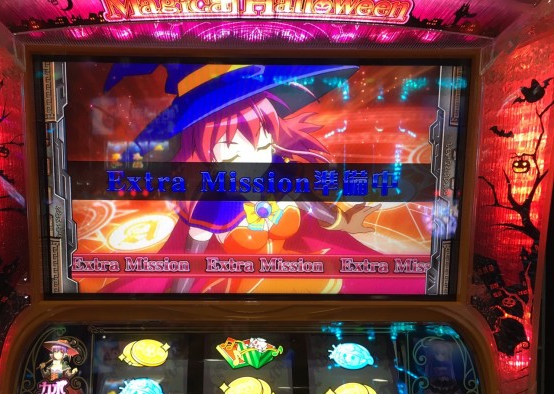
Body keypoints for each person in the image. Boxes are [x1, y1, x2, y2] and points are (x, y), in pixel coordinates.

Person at [103, 63, 382, 294]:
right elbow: (191, 265)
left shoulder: (274, 172)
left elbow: (308, 202)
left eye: (264, 145)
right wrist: (175, 308)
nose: (255, 161)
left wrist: (344, 222)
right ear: (205, 153)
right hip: (239, 296)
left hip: (302, 285)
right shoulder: (213, 201)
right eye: (234, 153)